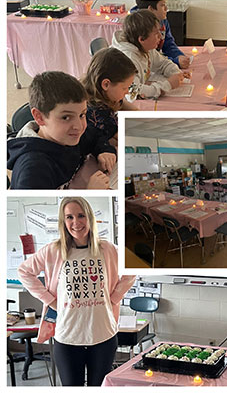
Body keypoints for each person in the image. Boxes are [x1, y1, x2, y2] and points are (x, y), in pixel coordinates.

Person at [18, 197, 135, 386]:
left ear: (89, 217)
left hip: (103, 336)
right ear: (63, 222)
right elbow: (24, 271)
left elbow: (131, 270)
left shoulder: (108, 249)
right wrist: (50, 300)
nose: (76, 222)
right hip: (68, 338)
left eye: (81, 215)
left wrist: (113, 298)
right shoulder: (53, 250)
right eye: (69, 217)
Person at [7, 72, 117, 189]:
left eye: (82, 115)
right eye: (66, 117)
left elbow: (95, 136)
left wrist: (104, 150)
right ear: (39, 117)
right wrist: (90, 193)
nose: (79, 126)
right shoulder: (32, 170)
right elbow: (38, 206)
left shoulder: (66, 135)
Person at [112, 10, 189, 99]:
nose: (160, 36)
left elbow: (163, 63)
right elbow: (133, 93)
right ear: (142, 39)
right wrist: (167, 85)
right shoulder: (128, 59)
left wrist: (176, 74)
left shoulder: (145, 47)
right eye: (156, 34)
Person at [82, 47, 138, 146]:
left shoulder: (107, 95)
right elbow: (111, 141)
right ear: (106, 84)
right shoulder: (96, 114)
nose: (127, 93)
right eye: (124, 88)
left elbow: (125, 105)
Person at [132, 0, 190, 69]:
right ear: (151, 9)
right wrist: (175, 61)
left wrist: (178, 56)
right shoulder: (139, 26)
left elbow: (168, 44)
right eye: (162, 5)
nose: (166, 8)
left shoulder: (163, 21)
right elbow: (151, 58)